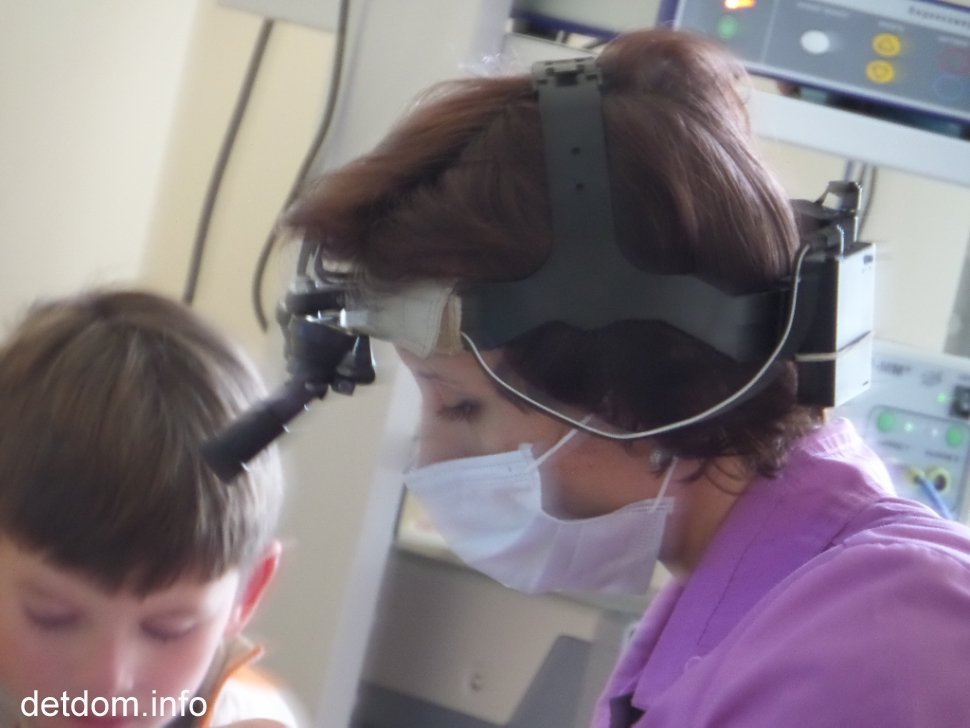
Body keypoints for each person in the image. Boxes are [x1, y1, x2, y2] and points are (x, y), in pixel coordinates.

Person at [281, 26, 970, 728]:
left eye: (460, 407)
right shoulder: (749, 610)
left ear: (643, 393)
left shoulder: (881, 648)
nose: (429, 461)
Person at [0, 290, 300, 728]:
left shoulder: (243, 718)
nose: (107, 683)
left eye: (169, 630)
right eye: (53, 618)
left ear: (248, 593)